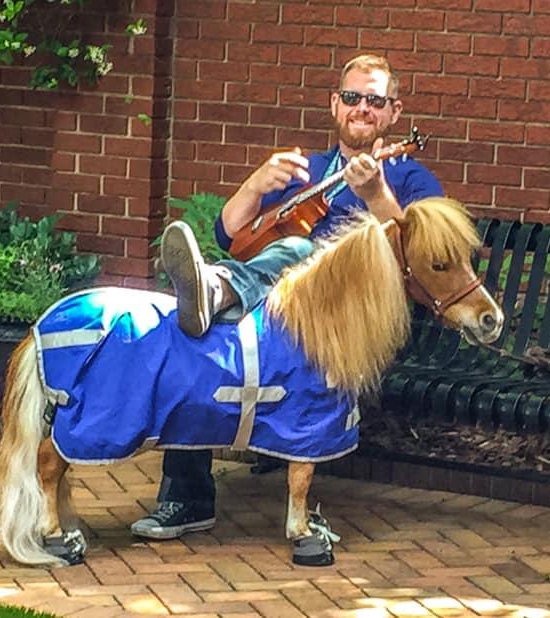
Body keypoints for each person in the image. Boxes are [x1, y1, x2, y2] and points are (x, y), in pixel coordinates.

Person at [130, 53, 445, 541]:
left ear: (394, 113)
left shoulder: (410, 178)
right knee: (198, 352)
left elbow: (422, 257)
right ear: (334, 105)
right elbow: (232, 233)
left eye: (375, 100)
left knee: (299, 249)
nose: (363, 108)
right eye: (353, 97)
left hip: (346, 324)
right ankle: (186, 498)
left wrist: (378, 195)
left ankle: (216, 288)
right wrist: (255, 185)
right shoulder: (310, 169)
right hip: (277, 314)